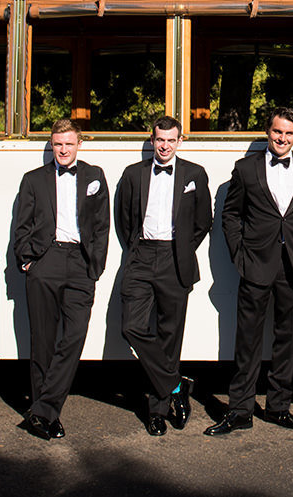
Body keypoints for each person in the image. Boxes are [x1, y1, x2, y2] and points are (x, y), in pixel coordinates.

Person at [204, 107, 293, 435]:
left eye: (289, 134)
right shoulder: (245, 169)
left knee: (286, 341)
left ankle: (278, 407)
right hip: (256, 266)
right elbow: (229, 214)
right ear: (268, 132)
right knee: (247, 341)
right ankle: (240, 410)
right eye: (277, 132)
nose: (282, 139)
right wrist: (239, 254)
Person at [114, 116, 213, 435]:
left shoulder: (195, 174)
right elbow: (122, 219)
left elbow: (203, 221)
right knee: (132, 327)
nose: (165, 145)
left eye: (171, 140)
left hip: (175, 259)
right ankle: (175, 386)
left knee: (170, 337)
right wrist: (138, 248)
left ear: (180, 141)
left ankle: (157, 412)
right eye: (160, 139)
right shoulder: (133, 174)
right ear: (152, 139)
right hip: (142, 256)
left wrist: (182, 249)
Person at [13, 118, 109, 440]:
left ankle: (42, 409)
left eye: (69, 144)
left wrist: (96, 265)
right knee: (42, 341)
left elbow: (102, 225)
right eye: (58, 144)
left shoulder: (95, 176)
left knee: (74, 337)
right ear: (51, 145)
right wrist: (27, 261)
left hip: (81, 263)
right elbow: (21, 224)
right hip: (46, 259)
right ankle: (48, 415)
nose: (63, 150)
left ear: (79, 144)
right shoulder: (33, 180)